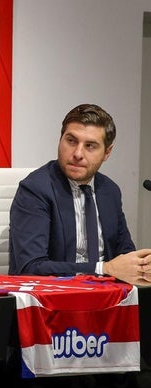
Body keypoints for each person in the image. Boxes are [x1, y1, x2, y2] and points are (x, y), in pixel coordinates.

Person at [8, 103, 151, 285]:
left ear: (107, 152)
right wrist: (103, 269)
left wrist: (142, 265)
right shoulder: (35, 189)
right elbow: (30, 268)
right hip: (53, 301)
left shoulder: (110, 191)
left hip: (105, 298)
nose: (77, 153)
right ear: (60, 140)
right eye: (71, 141)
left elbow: (124, 253)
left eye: (90, 146)